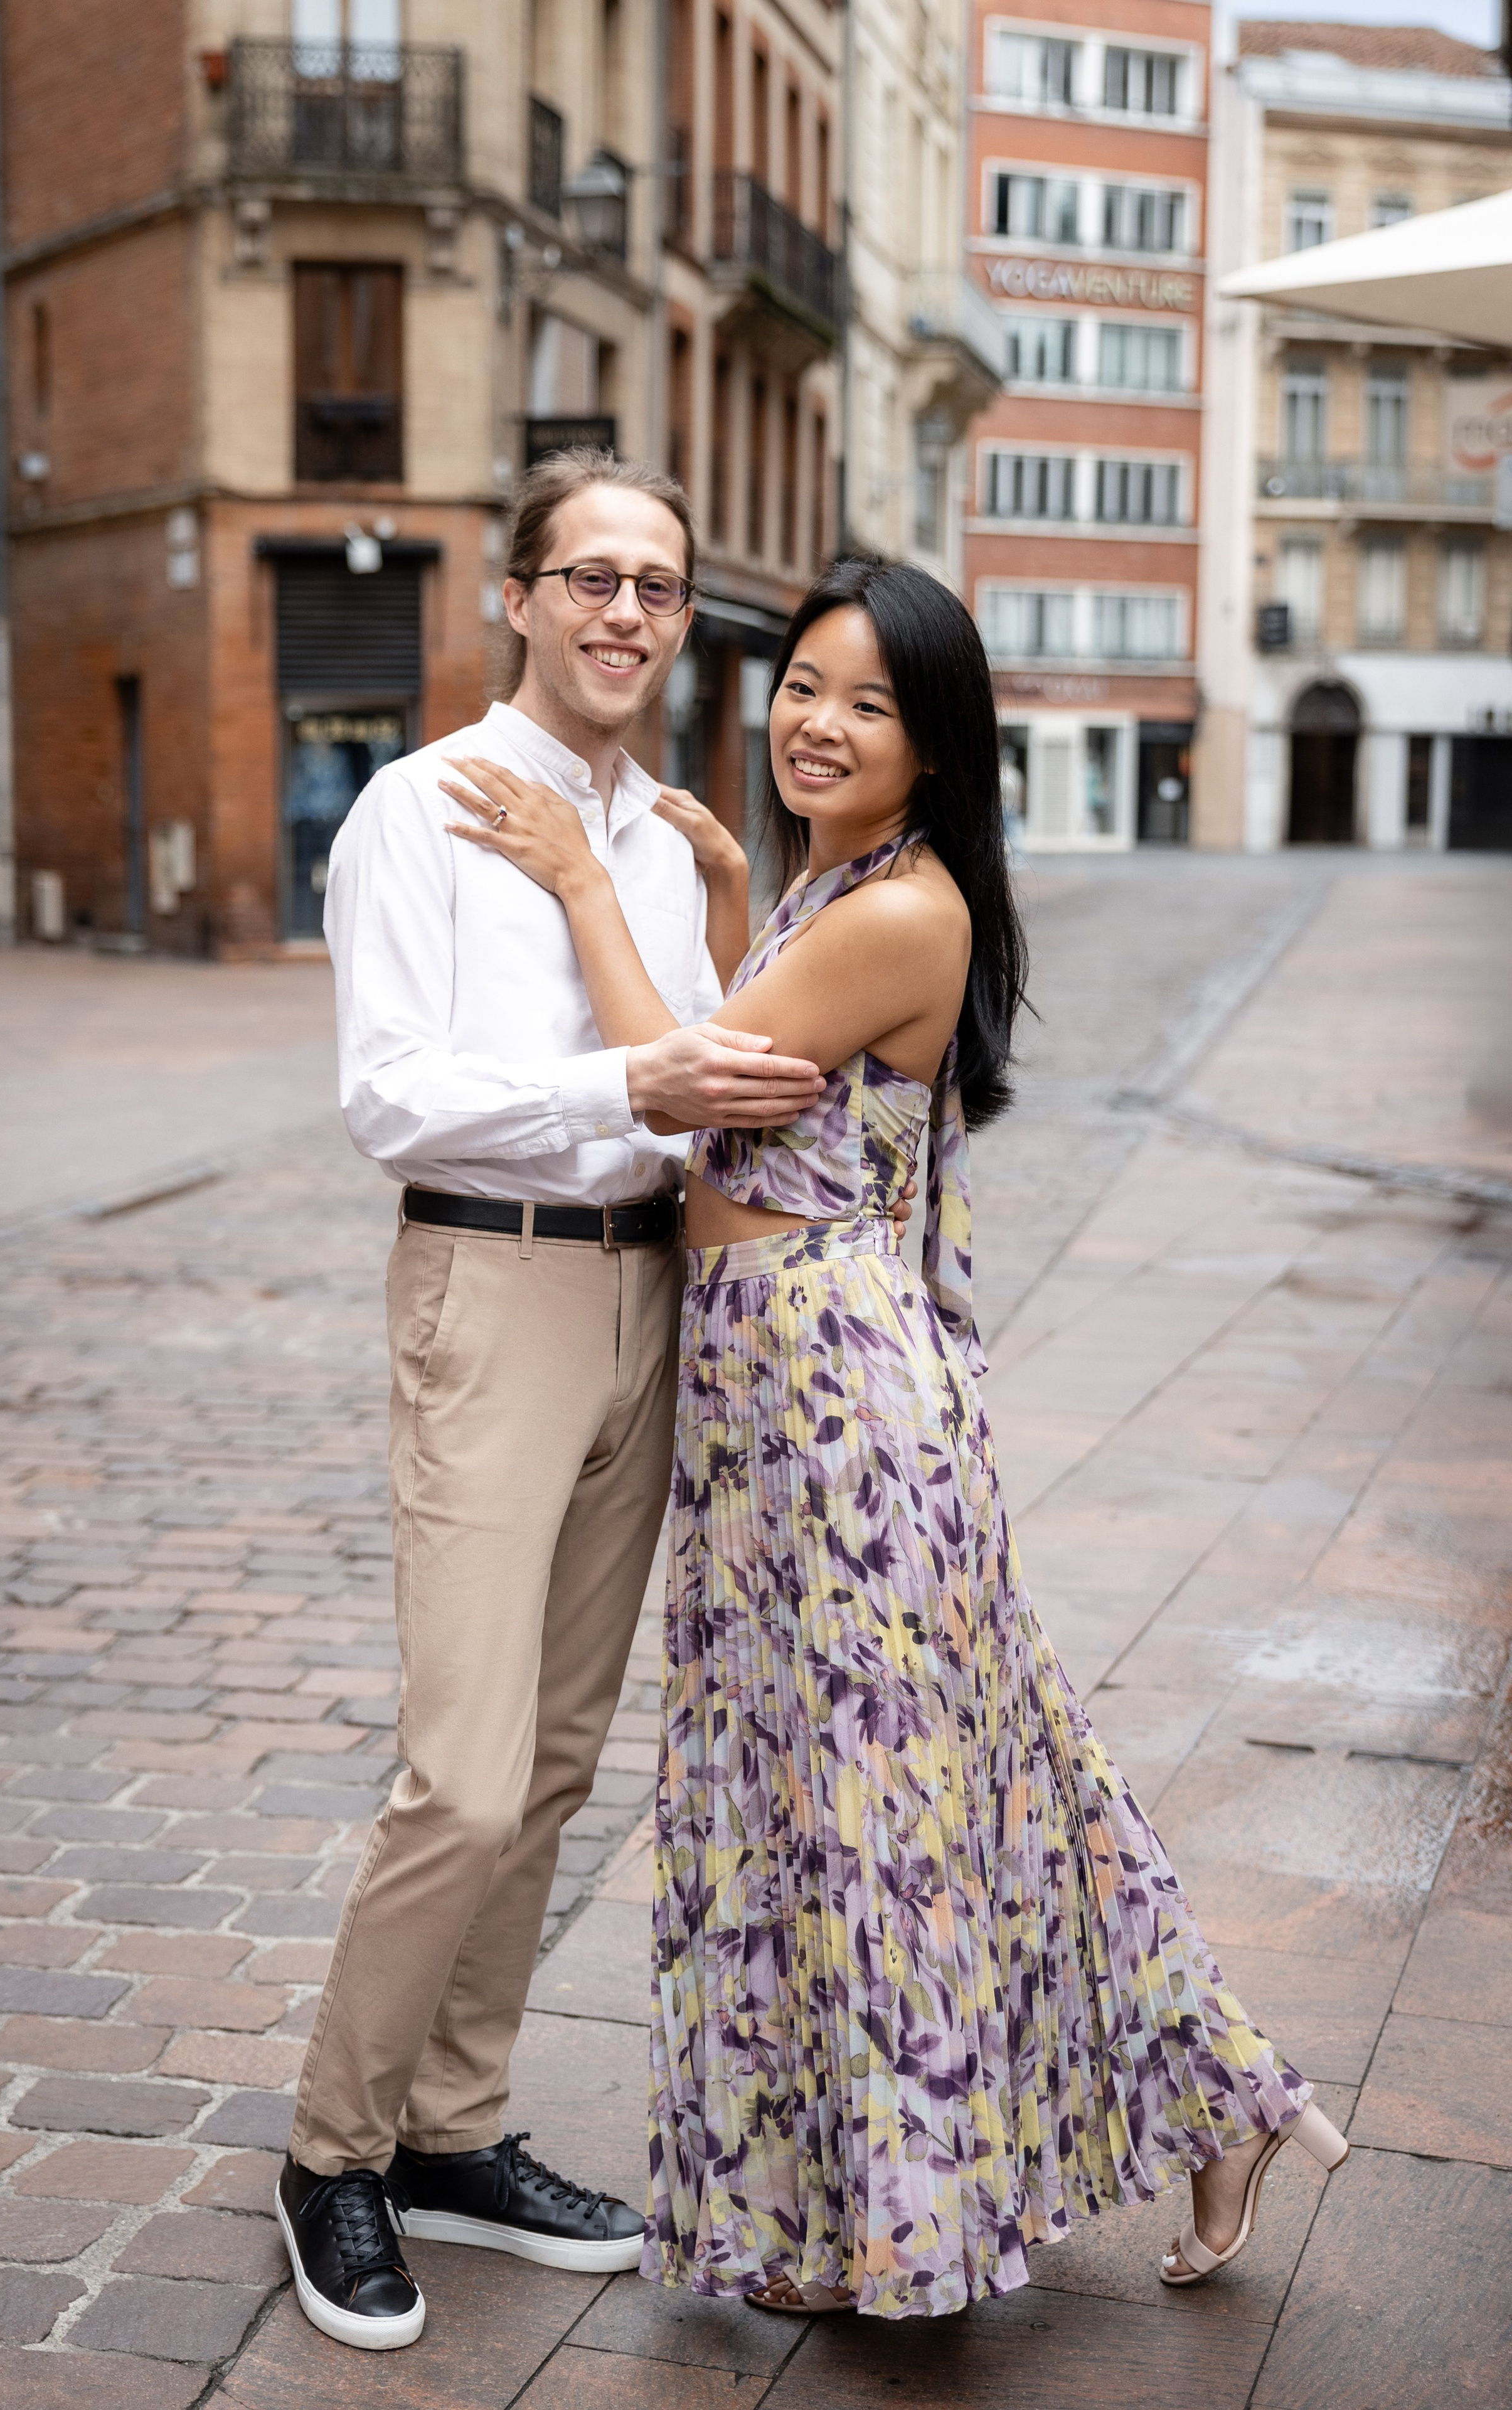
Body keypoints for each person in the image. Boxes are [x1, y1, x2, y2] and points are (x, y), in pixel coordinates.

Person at [442, 554, 1352, 2322]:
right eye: (802, 684)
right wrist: (727, 897)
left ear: (935, 745)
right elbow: (769, 1082)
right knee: (932, 1791)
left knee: (882, 1812)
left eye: (869, 700)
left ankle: (927, 2210)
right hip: (780, 1396)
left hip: (843, 1414)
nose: (818, 720)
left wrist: (578, 882)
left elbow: (691, 1095)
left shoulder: (903, 910)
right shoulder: (837, 882)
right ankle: (1197, 2103)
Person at [274, 450, 841, 2353]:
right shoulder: (417, 810)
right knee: (465, 1762)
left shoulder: (672, 836)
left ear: (685, 618)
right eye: (588, 575)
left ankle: (452, 2124)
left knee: (570, 1753)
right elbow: (391, 1094)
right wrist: (633, 1092)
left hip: (648, 1300)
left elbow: (711, 1048)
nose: (623, 611)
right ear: (514, 594)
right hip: (492, 1280)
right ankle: (332, 2147)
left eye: (657, 586)